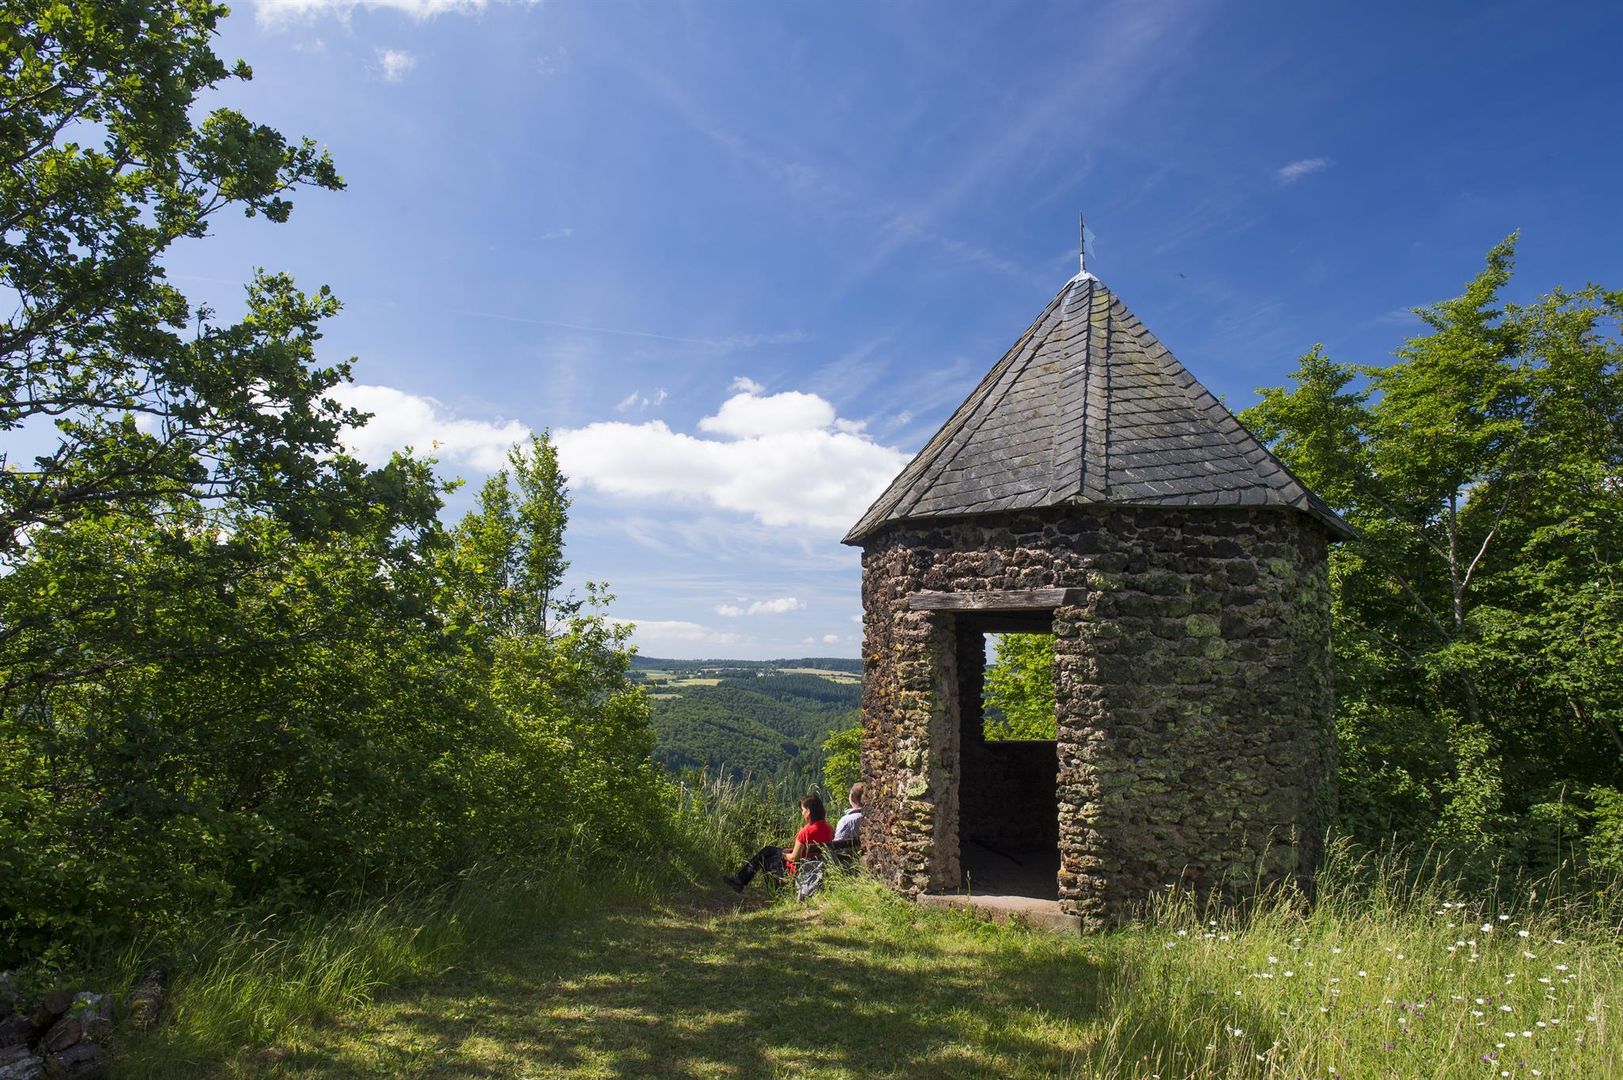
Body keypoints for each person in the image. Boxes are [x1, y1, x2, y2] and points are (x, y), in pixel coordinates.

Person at [724, 793, 833, 892]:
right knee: (768, 850)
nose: (802, 813)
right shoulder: (829, 828)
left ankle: (771, 891)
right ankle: (740, 880)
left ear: (808, 812)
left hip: (798, 870)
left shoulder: (806, 832)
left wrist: (783, 854)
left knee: (766, 858)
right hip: (817, 867)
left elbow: (794, 858)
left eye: (802, 810)